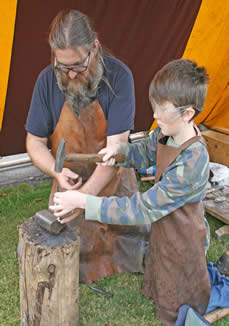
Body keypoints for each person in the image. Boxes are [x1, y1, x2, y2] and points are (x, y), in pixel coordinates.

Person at [50, 58, 211, 325]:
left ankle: (181, 307)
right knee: (163, 265)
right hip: (166, 226)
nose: (155, 115)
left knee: (182, 287)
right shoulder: (166, 132)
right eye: (154, 107)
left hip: (185, 235)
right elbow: (144, 151)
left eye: (163, 109)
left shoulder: (193, 162)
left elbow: (143, 209)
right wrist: (120, 152)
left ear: (188, 114)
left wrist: (85, 202)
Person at [25, 9, 149, 284]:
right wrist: (57, 174)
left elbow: (116, 150)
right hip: (70, 182)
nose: (69, 75)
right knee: (68, 249)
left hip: (113, 177)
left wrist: (84, 200)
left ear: (94, 48)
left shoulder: (119, 77)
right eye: (62, 66)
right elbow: (34, 142)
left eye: (77, 66)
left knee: (130, 242)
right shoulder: (47, 80)